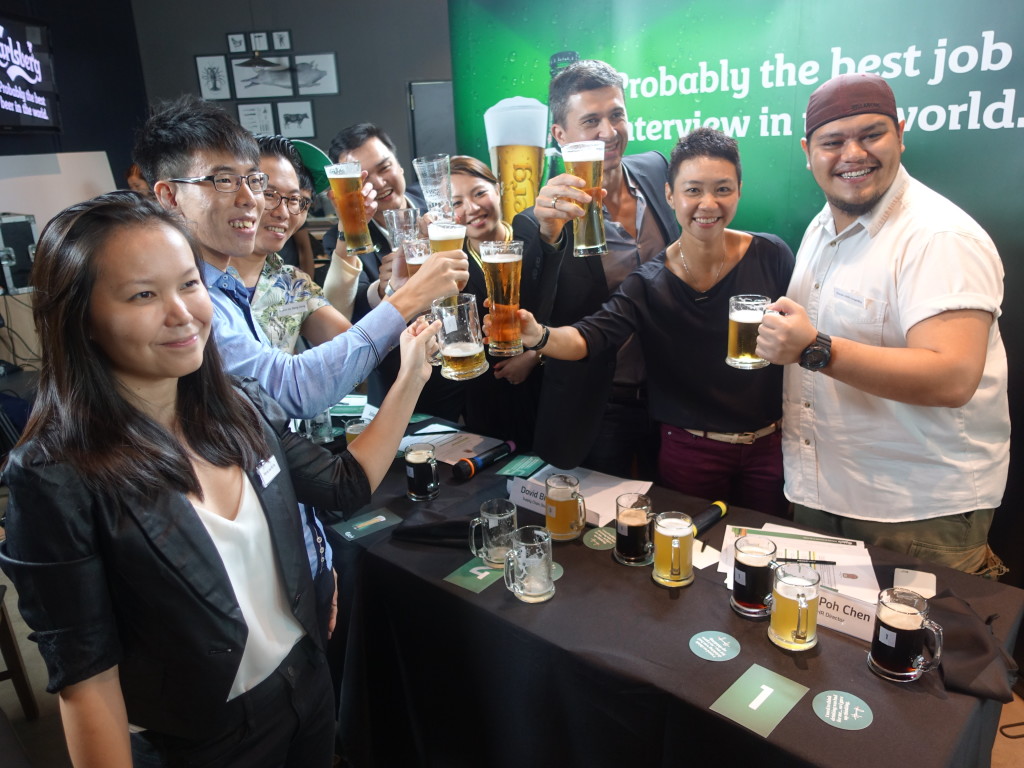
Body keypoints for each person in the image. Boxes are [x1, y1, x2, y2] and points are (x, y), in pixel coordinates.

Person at [0, 192, 439, 767]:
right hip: (204, 740)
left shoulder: (235, 408)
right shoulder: (54, 475)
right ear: (81, 319)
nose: (182, 313)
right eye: (142, 295)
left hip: (310, 694)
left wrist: (409, 378)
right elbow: (87, 681)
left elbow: (342, 487)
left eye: (189, 284)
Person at [756, 73, 1009, 576]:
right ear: (808, 152)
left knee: (914, 655)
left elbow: (953, 377)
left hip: (916, 513)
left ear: (900, 133)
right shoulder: (823, 225)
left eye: (871, 134)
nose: (853, 153)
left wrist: (815, 349)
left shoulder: (939, 236)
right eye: (833, 141)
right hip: (825, 494)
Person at [499, 129, 793, 516]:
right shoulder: (650, 280)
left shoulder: (771, 254)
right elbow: (590, 336)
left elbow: (803, 334)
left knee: (763, 549)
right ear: (670, 195)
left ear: (739, 190)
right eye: (692, 191)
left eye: (722, 189)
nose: (708, 203)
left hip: (770, 447)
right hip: (689, 449)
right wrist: (539, 337)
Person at [132, 95, 468, 419]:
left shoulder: (285, 281)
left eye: (297, 200)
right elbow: (291, 387)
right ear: (169, 196)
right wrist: (410, 297)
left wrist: (399, 293)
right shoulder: (187, 292)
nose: (264, 205)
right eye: (226, 181)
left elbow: (346, 348)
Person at [514, 59, 679, 478]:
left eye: (616, 115)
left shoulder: (658, 169)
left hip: (669, 396)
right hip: (599, 405)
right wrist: (549, 236)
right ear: (561, 135)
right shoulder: (537, 221)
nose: (608, 132)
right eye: (591, 120)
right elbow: (529, 314)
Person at [327, 122, 462, 421]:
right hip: (398, 383)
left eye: (384, 167)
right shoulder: (345, 237)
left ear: (400, 166)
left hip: (465, 364)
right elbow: (347, 313)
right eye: (363, 179)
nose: (377, 183)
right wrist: (383, 289)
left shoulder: (441, 207)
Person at [449, 155, 543, 450]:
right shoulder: (452, 260)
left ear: (498, 189)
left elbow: (569, 310)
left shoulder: (537, 239)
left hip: (547, 392)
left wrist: (536, 357)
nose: (472, 208)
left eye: (479, 193)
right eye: (456, 203)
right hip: (484, 399)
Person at [232, 135, 355, 353]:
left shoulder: (294, 285)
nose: (283, 212)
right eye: (269, 194)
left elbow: (353, 349)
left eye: (297, 200)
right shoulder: (194, 277)